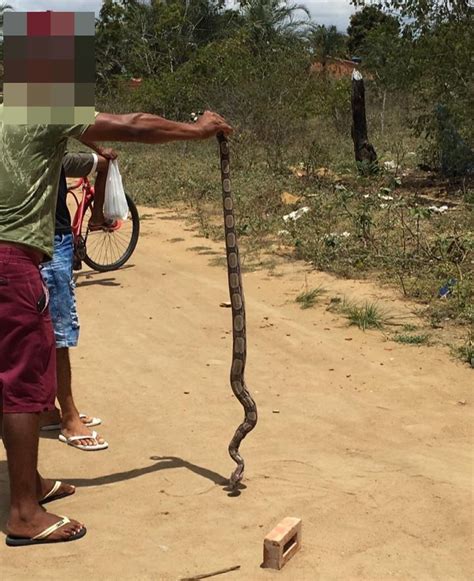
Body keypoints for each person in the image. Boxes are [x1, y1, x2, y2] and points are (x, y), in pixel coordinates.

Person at [0, 108, 232, 546]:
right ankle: (25, 513)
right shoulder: (40, 108)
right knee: (23, 385)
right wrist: (197, 131)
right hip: (10, 263)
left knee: (7, 375)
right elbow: (134, 124)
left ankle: (30, 481)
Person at [39, 161, 110, 450]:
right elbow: (85, 118)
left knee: (42, 329)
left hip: (46, 235)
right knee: (57, 332)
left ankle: (46, 410)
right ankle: (68, 416)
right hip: (46, 237)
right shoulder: (26, 118)